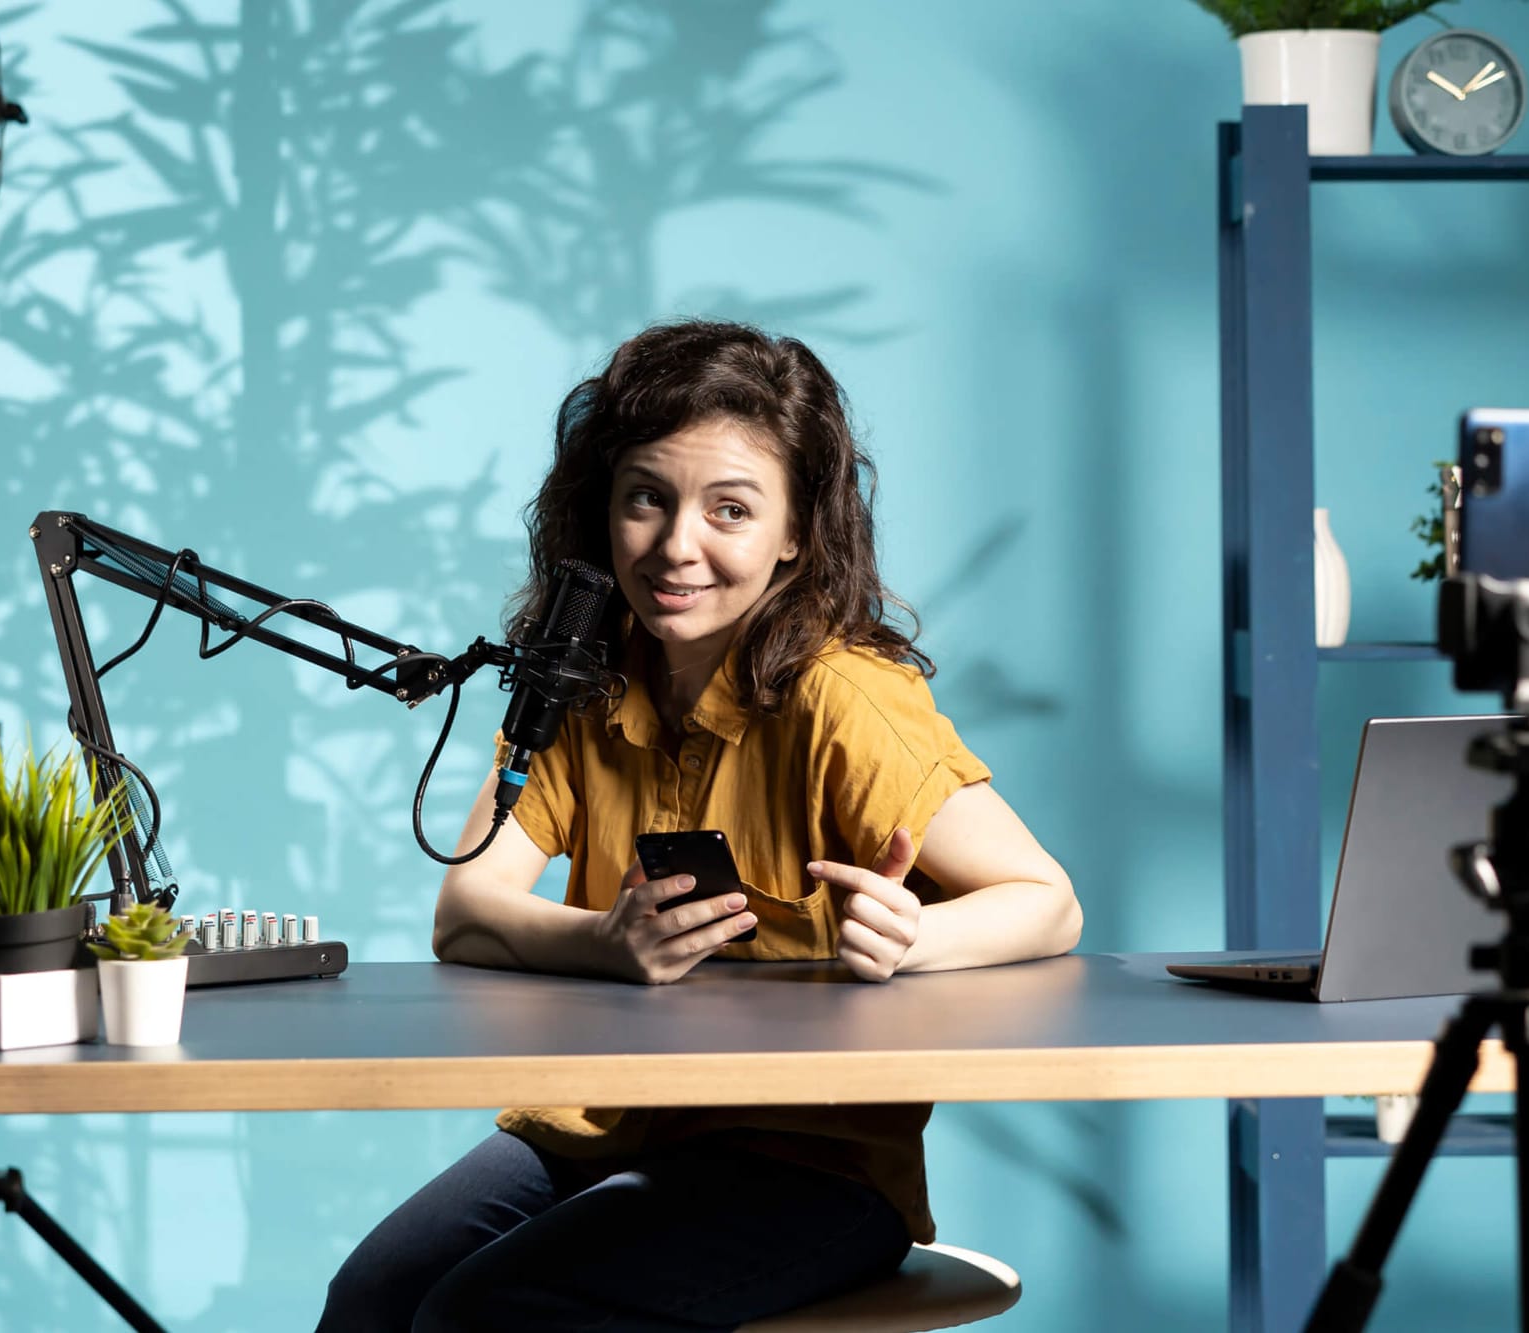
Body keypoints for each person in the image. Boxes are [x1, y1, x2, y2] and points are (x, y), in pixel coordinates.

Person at [319, 320, 1079, 1332]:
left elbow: (1046, 901)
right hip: (605, 1126)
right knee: (372, 1298)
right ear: (603, 511)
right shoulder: (580, 685)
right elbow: (464, 909)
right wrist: (604, 942)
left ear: (797, 531)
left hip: (810, 1163)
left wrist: (915, 937)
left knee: (487, 1312)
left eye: (730, 509)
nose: (678, 544)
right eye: (647, 497)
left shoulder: (842, 698)